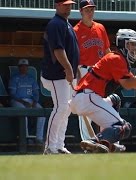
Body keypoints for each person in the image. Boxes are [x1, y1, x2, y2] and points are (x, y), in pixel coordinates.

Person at [69, 29, 136, 153]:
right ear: (122, 44)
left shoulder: (119, 59)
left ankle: (109, 143)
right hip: (88, 97)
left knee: (115, 99)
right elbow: (129, 84)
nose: (134, 48)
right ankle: (95, 141)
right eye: (131, 44)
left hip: (87, 98)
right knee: (124, 127)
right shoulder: (116, 58)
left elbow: (134, 84)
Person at [40, 0, 79, 154]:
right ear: (57, 5)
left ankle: (59, 145)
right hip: (56, 74)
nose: (68, 6)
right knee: (61, 107)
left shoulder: (67, 24)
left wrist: (75, 71)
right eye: (64, 4)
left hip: (66, 74)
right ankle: (50, 146)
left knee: (67, 109)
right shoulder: (55, 24)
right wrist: (69, 69)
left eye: (70, 4)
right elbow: (58, 50)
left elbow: (73, 51)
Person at [73, 0, 111, 141]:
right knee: (85, 109)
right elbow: (72, 55)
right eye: (87, 10)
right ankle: (88, 142)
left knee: (102, 107)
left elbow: (107, 51)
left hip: (101, 73)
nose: (90, 12)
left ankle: (105, 139)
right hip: (83, 71)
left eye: (92, 9)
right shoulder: (75, 31)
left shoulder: (100, 27)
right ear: (81, 11)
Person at [8, 59, 46, 144]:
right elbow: (12, 94)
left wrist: (35, 102)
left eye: (25, 66)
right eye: (22, 66)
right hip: (17, 101)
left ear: (27, 67)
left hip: (30, 101)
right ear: (19, 67)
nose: (23, 68)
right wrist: (24, 102)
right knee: (23, 113)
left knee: (42, 113)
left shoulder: (31, 79)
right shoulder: (14, 79)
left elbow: (36, 93)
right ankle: (25, 138)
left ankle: (39, 138)